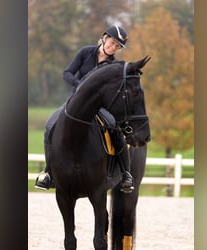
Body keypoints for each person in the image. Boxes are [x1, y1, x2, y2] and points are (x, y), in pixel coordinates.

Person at [35, 25, 134, 193]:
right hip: (75, 102)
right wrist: (80, 85)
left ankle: (125, 173)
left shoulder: (114, 65)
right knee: (51, 125)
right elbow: (67, 73)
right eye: (112, 42)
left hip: (98, 107)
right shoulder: (85, 52)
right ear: (104, 37)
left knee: (115, 128)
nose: (113, 47)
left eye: (118, 46)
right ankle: (49, 172)